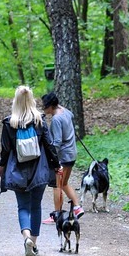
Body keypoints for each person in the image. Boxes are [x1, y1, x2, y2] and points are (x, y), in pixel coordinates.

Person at [0, 86, 60, 256]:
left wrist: (2, 165)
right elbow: (49, 144)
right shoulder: (39, 120)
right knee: (36, 206)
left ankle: (26, 237)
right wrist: (56, 164)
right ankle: (33, 241)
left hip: (18, 170)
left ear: (16, 101)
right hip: (39, 170)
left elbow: (5, 149)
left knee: (23, 206)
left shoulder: (9, 123)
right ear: (32, 100)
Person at [41, 91, 84, 219]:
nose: (43, 108)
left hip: (63, 156)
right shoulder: (66, 111)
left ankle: (57, 215)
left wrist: (52, 158)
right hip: (72, 154)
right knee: (64, 183)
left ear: (50, 106)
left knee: (57, 186)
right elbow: (70, 120)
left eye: (44, 106)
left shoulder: (56, 119)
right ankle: (77, 207)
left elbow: (57, 142)